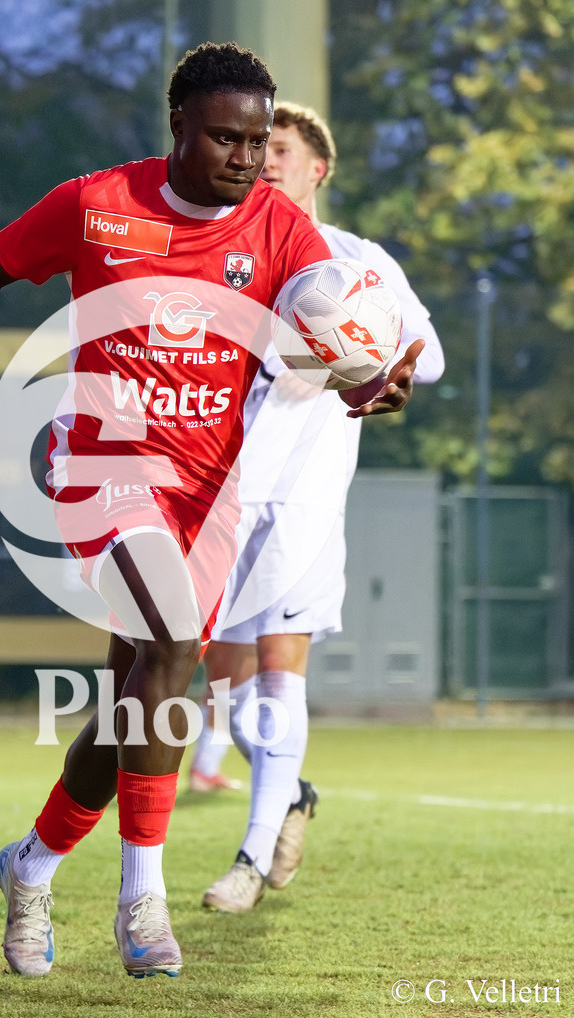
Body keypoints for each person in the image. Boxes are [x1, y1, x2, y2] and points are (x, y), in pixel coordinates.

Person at [0, 44, 421, 979]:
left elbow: (314, 348)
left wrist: (363, 381)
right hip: (101, 467)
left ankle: (33, 864)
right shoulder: (95, 204)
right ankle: (143, 902)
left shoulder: (281, 227)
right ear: (177, 126)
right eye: (225, 137)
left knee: (143, 701)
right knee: (172, 650)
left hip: (210, 492)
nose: (245, 157)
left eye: (257, 140)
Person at [192, 102, 445, 914]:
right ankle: (291, 795)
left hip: (302, 501)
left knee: (278, 671)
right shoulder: (216, 247)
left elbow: (427, 359)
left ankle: (250, 854)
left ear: (316, 168)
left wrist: (360, 359)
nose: (265, 158)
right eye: (255, 145)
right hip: (216, 496)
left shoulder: (353, 259)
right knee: (221, 692)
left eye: (283, 147)